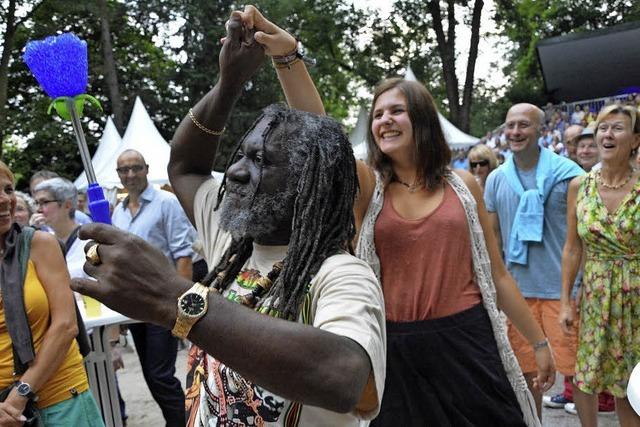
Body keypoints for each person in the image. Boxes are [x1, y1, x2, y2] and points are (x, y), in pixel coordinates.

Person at [240, 7, 556, 426]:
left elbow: (497, 275)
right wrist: (288, 57)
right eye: (377, 114)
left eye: (396, 111)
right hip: (394, 346)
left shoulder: (464, 185)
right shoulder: (368, 186)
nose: (384, 120)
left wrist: (538, 342)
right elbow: (321, 131)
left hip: (467, 340)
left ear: (421, 119)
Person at [72, 11, 385, 427]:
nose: (235, 171)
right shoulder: (230, 242)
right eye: (240, 154)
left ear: (306, 186)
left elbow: (343, 377)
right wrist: (229, 82)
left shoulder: (341, 275)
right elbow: (184, 166)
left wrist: (177, 300)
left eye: (261, 161)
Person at [484, 103, 585, 418]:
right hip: (519, 293)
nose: (515, 132)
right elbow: (492, 239)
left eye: (524, 125)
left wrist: (581, 287)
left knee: (578, 375)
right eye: (510, 125)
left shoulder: (570, 175)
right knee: (526, 372)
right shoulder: (497, 179)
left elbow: (584, 237)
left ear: (542, 130)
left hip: (562, 290)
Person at [0, 161, 104, 426]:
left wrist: (19, 394)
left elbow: (65, 325)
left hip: (60, 399)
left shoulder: (38, 244)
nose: (4, 200)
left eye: (8, 190)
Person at [559, 104, 640, 427]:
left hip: (637, 295)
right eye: (602, 128)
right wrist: (565, 300)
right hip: (594, 294)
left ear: (635, 140)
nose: (607, 134)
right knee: (586, 374)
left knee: (631, 379)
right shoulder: (580, 186)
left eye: (617, 128)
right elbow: (571, 248)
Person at [111, 149, 195, 427]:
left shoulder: (166, 202)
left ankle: (185, 423)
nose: (130, 175)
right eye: (124, 170)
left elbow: (183, 255)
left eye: (136, 168)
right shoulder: (118, 212)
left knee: (161, 374)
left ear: (147, 169)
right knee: (150, 374)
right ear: (118, 175)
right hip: (135, 306)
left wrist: (181, 313)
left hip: (163, 303)